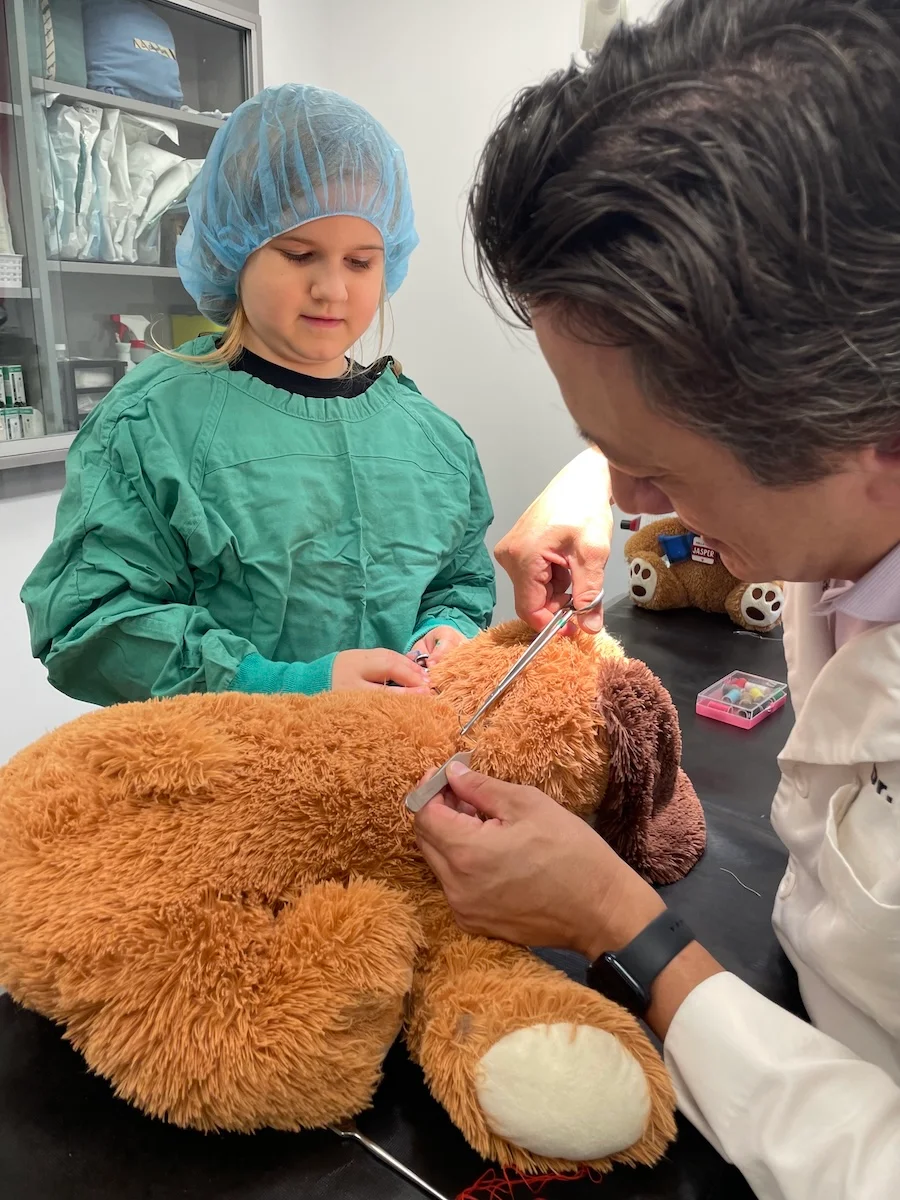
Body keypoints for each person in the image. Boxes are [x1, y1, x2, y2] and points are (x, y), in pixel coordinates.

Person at [414, 2, 900, 1197]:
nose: (631, 507)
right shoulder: (834, 505)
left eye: (657, 467)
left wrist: (621, 925)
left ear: (866, 431)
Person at [22, 85, 495, 706]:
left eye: (360, 262)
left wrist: (447, 631)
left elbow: (459, 580)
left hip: (401, 781)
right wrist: (280, 684)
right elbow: (91, 623)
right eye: (300, 254)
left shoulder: (428, 436)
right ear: (233, 251)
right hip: (223, 782)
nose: (332, 288)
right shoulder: (155, 423)